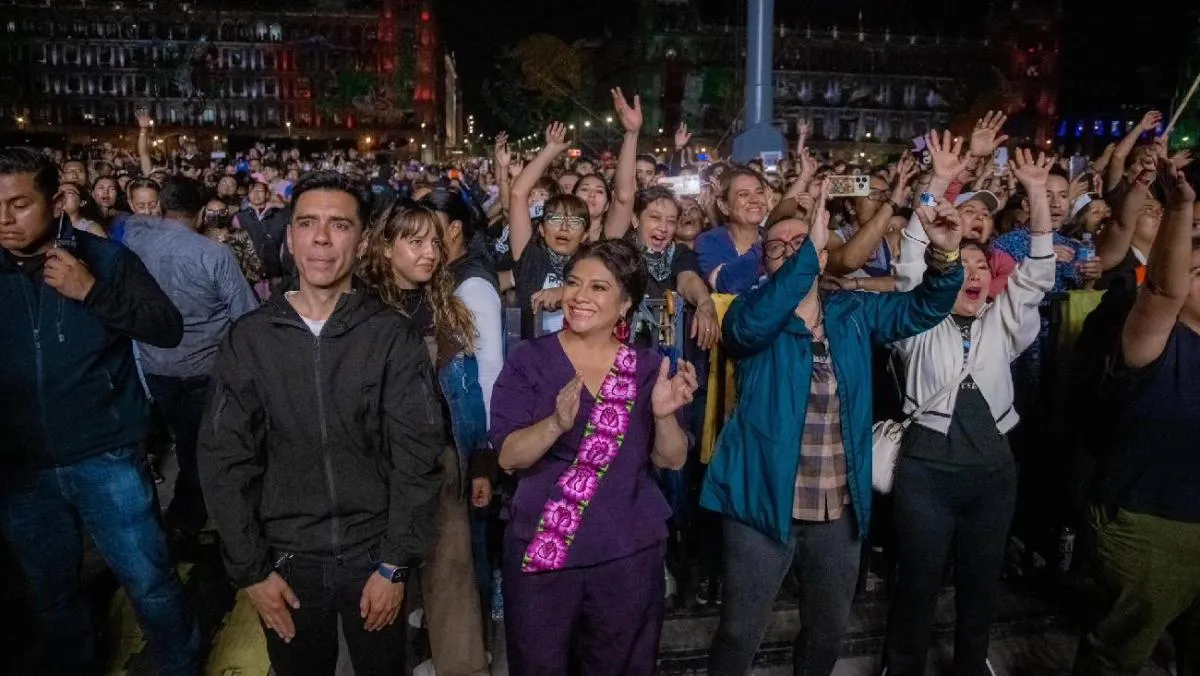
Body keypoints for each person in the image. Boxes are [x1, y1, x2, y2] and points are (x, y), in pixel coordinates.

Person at [702, 182, 964, 676]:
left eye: (800, 244)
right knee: (740, 632)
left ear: (823, 258)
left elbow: (925, 307)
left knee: (826, 631)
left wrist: (946, 255)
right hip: (759, 503)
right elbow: (750, 327)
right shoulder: (745, 315)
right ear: (765, 264)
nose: (786, 251)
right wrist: (810, 246)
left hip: (837, 509)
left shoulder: (852, 313)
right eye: (775, 247)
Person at [198, 171, 446, 675]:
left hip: (372, 557)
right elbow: (224, 459)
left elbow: (419, 455)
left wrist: (395, 564)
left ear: (361, 240)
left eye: (339, 224)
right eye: (307, 223)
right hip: (286, 565)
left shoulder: (390, 337)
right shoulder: (251, 339)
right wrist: (251, 571)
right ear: (290, 236)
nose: (322, 238)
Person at [0, 147, 197, 674]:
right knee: (51, 594)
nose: (4, 218)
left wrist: (92, 293)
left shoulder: (106, 259)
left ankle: (180, 666)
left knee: (149, 583)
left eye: (19, 204)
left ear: (57, 200)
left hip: (106, 457)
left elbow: (166, 326)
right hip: (22, 469)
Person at [882, 150, 1058, 676]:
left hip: (992, 477)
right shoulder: (917, 321)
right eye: (964, 266)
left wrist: (1036, 194)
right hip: (926, 476)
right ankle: (902, 665)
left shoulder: (1003, 323)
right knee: (916, 582)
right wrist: (936, 182)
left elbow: (1039, 277)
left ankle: (970, 664)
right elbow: (911, 264)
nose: (975, 275)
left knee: (981, 587)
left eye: (983, 267)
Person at [489, 238, 698, 675]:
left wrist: (663, 415)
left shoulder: (646, 367)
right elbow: (508, 457)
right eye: (573, 282)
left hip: (626, 551)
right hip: (547, 551)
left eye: (599, 288)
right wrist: (554, 425)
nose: (580, 296)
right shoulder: (530, 359)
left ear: (625, 304)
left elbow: (672, 459)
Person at [1074, 157, 1200, 676]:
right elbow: (1163, 291)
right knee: (1119, 653)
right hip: (1154, 525)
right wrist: (1182, 207)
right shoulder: (1155, 343)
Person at [361, 201, 492, 676]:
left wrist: (478, 461)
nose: (430, 253)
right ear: (384, 245)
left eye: (435, 242)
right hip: (376, 466)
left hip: (442, 460)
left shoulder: (446, 307)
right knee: (378, 578)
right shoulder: (359, 312)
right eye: (415, 242)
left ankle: (463, 666)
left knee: (450, 574)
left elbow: (467, 392)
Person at [120, 176, 260, 552]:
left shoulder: (133, 243)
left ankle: (181, 519)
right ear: (200, 213)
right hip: (203, 371)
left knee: (182, 447)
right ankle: (188, 521)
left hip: (151, 367)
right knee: (203, 450)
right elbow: (245, 315)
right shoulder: (212, 254)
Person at [507, 123, 590, 339]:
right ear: (542, 230)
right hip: (536, 364)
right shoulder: (531, 258)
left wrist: (563, 293)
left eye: (574, 221)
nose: (564, 227)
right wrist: (551, 149)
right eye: (555, 219)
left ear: (586, 235)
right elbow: (518, 194)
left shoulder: (594, 262)